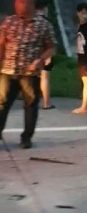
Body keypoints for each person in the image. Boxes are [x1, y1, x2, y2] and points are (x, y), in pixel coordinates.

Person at [0, 0, 55, 148]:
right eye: (17, 2)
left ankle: (26, 138)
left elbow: (51, 47)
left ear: (31, 4)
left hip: (29, 74)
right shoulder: (8, 22)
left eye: (22, 2)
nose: (18, 5)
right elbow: (1, 44)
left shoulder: (43, 25)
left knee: (30, 105)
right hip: (7, 71)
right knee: (1, 104)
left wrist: (40, 60)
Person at [35, 0, 55, 110]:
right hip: (45, 54)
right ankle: (46, 103)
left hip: (31, 55)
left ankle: (29, 102)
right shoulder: (47, 22)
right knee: (45, 78)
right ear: (45, 9)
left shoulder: (30, 20)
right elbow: (51, 42)